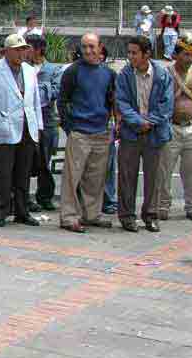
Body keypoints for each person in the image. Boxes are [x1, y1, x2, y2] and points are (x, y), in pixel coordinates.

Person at [0, 34, 41, 228]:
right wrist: (1, 122)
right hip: (3, 130)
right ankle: (1, 211)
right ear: (7, 51)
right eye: (17, 49)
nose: (21, 53)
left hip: (26, 128)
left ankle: (22, 211)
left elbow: (35, 101)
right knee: (3, 174)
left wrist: (38, 126)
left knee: (23, 173)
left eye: (24, 49)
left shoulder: (30, 71)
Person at [57, 33, 116, 233]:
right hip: (79, 132)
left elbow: (111, 101)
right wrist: (69, 127)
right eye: (84, 47)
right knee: (72, 177)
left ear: (100, 48)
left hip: (101, 132)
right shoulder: (73, 72)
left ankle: (92, 214)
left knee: (96, 178)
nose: (88, 51)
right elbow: (62, 101)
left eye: (92, 46)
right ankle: (69, 216)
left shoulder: (109, 74)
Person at [115, 35, 173, 233]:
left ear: (146, 54)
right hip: (131, 133)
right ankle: (127, 216)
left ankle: (151, 215)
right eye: (129, 52)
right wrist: (138, 122)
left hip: (155, 134)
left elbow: (166, 105)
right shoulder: (124, 75)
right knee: (126, 176)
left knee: (154, 177)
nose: (130, 56)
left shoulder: (162, 75)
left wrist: (150, 123)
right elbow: (121, 102)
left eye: (134, 53)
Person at [157, 34, 192, 222]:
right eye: (186, 54)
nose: (190, 59)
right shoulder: (165, 74)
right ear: (176, 55)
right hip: (171, 127)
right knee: (164, 170)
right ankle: (162, 205)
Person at [26, 35, 63, 212]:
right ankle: (23, 197)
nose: (25, 52)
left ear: (39, 49)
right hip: (26, 120)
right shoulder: (22, 68)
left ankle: (45, 196)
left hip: (47, 122)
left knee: (44, 162)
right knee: (24, 162)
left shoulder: (53, 69)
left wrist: (37, 90)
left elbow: (55, 91)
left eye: (28, 48)